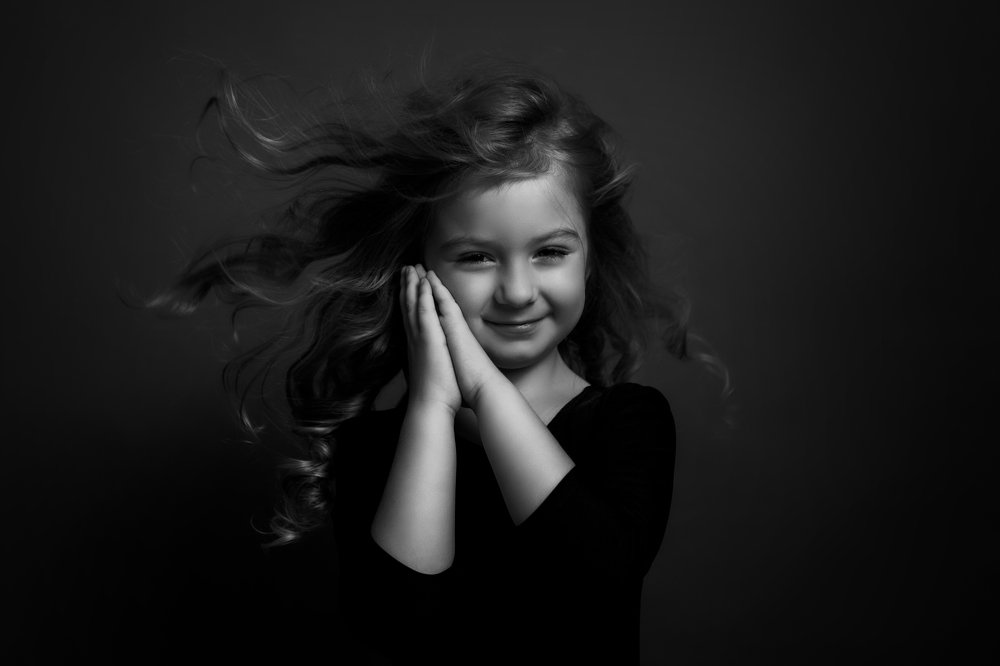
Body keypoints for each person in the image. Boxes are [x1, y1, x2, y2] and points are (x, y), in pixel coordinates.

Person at [147, 58, 725, 664]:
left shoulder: (628, 423)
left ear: (590, 262)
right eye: (476, 257)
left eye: (550, 252)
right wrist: (430, 407)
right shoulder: (372, 448)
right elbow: (394, 626)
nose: (517, 292)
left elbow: (595, 582)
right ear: (418, 270)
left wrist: (485, 387)